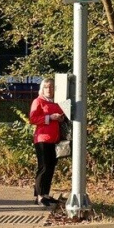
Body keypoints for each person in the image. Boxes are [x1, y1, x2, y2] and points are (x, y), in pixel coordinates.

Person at [29, 78, 66, 207]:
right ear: (42, 89)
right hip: (42, 138)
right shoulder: (38, 101)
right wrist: (49, 118)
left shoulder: (56, 102)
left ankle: (45, 194)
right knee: (43, 167)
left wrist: (60, 118)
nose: (48, 89)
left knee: (50, 167)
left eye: (51, 87)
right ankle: (39, 196)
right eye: (46, 87)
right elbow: (32, 118)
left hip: (54, 139)